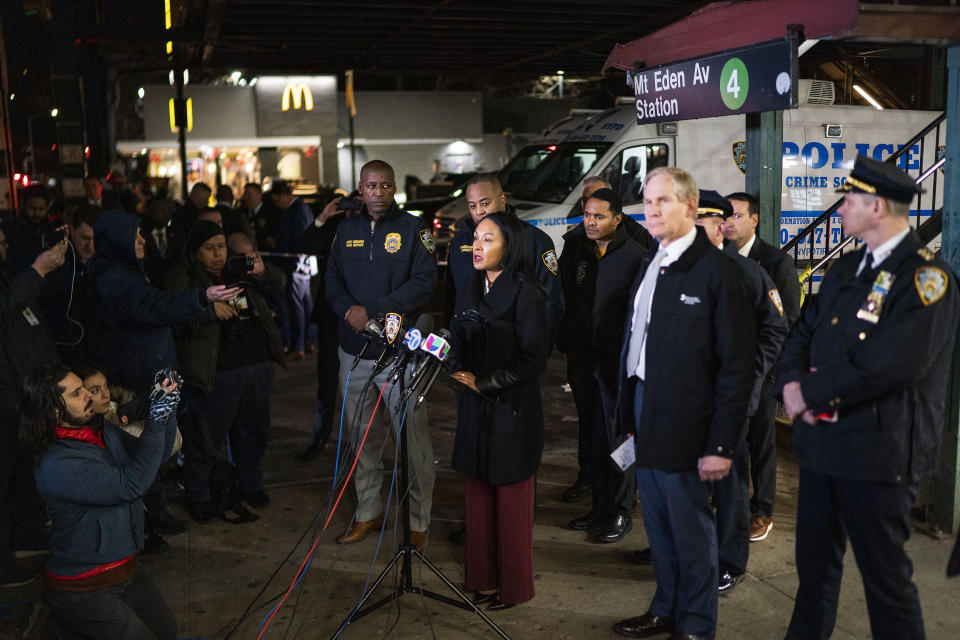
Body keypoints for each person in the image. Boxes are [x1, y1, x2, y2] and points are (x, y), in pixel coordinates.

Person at [776, 155, 959, 639]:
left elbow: (892, 366)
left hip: (879, 456)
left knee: (886, 584)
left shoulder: (927, 280)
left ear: (876, 206)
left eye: (848, 200)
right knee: (813, 574)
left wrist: (807, 393)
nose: (840, 210)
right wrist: (790, 386)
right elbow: (802, 332)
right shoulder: (846, 269)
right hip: (822, 449)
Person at [613, 167, 754, 640]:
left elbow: (737, 366)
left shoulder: (719, 272)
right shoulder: (654, 261)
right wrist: (629, 413)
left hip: (690, 420)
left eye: (663, 202)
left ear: (691, 208)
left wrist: (721, 443)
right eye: (648, 201)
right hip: (645, 407)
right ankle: (666, 608)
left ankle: (694, 626)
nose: (651, 210)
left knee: (691, 530)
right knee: (657, 523)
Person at [85, 209, 241, 542]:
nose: (142, 240)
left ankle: (153, 515)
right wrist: (202, 297)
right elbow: (151, 307)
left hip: (150, 375)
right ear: (118, 241)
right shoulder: (112, 277)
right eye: (135, 236)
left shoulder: (124, 271)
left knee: (154, 449)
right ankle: (140, 526)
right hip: (135, 381)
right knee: (142, 450)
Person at [325, 159, 437, 550]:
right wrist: (349, 311)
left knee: (414, 440)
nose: (378, 192)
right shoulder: (346, 230)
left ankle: (418, 521)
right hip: (353, 352)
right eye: (371, 186)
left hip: (399, 354)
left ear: (394, 189)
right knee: (362, 439)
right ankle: (368, 513)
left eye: (385, 186)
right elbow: (332, 281)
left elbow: (425, 282)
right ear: (360, 189)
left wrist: (373, 310)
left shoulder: (414, 229)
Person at [21, 364, 180, 639]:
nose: (87, 395)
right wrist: (156, 417)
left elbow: (157, 454)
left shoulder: (100, 430)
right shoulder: (58, 464)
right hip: (84, 586)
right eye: (76, 393)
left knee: (166, 630)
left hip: (125, 569)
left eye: (84, 388)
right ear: (55, 411)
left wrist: (167, 407)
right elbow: (132, 484)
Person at [449, 211, 549, 610]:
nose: (477, 246)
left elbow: (534, 358)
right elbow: (456, 333)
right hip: (474, 409)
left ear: (510, 245)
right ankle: (483, 580)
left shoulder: (528, 292)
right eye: (476, 238)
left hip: (511, 410)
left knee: (509, 501)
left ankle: (513, 588)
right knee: (478, 494)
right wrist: (455, 366)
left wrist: (485, 383)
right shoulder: (471, 286)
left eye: (488, 240)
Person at [696, 190, 788, 593]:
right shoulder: (673, 268)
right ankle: (697, 549)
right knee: (694, 486)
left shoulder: (748, 272)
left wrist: (752, 381)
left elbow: (777, 328)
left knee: (731, 486)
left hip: (729, 400)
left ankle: (729, 561)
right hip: (688, 403)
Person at [164, 221, 284, 522]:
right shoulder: (184, 276)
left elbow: (279, 283)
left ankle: (249, 483)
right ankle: (199, 494)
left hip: (255, 363)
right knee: (206, 437)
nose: (218, 254)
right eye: (209, 248)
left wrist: (262, 271)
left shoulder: (236, 268)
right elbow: (172, 318)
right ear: (195, 251)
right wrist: (208, 311)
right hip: (215, 370)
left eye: (221, 246)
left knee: (254, 432)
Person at [559, 188, 647, 543]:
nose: (591, 222)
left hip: (618, 363)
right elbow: (567, 299)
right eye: (587, 215)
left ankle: (621, 511)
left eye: (599, 217)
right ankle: (599, 507)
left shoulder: (637, 256)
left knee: (620, 439)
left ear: (618, 218)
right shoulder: (578, 250)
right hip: (583, 358)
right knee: (594, 436)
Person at [723, 191, 802, 542]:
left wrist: (770, 373)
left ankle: (763, 509)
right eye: (725, 217)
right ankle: (732, 505)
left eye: (736, 216)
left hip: (761, 370)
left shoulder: (775, 262)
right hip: (726, 371)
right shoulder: (718, 258)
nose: (728, 222)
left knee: (761, 442)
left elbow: (787, 323)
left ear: (754, 220)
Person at [0, 237, 66, 587]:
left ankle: (25, 534)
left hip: (15, 400)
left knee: (21, 474)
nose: (5, 249)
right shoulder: (12, 289)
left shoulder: (9, 283)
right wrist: (37, 270)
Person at [298, 193, 353, 460]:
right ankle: (321, 436)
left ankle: (361, 442)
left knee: (361, 383)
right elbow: (306, 246)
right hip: (331, 316)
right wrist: (322, 217)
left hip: (363, 318)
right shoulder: (336, 227)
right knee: (328, 379)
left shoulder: (378, 227)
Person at [40, 204, 101, 366]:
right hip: (65, 344)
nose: (90, 246)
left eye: (95, 239)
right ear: (71, 230)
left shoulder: (102, 262)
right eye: (85, 238)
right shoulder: (56, 260)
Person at [273, 179, 317, 358]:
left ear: (284, 196)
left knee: (297, 304)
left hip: (297, 263)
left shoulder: (297, 210)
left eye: (277, 200)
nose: (276, 205)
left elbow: (300, 239)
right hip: (302, 263)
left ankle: (299, 345)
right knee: (305, 302)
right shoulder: (301, 208)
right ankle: (308, 340)